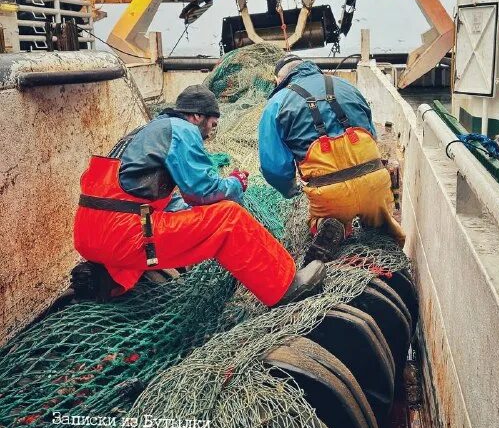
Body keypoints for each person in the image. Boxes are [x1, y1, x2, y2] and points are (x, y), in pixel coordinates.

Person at [73, 84, 324, 305]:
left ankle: (106, 280)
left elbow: (169, 203)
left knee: (174, 222)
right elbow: (202, 192)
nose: (209, 134)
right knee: (229, 218)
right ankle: (286, 287)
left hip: (89, 235)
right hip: (125, 235)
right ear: (196, 116)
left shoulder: (145, 132)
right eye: (212, 125)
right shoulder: (182, 130)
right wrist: (235, 184)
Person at [258, 54, 405, 263]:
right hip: (375, 182)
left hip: (329, 194)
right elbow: (371, 133)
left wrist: (291, 190)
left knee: (319, 223)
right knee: (385, 229)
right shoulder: (347, 86)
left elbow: (273, 166)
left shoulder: (276, 103)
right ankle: (387, 242)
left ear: (280, 80)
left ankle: (327, 226)